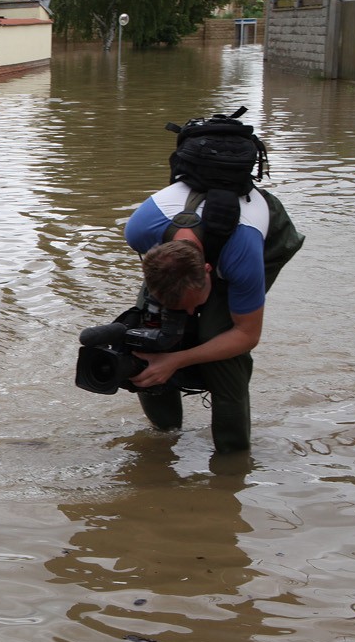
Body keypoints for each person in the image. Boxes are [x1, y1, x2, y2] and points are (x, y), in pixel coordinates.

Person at [123, 181, 298, 452]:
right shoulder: (138, 233)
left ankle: (232, 455)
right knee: (150, 334)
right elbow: (164, 280)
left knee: (217, 338)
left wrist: (176, 359)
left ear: (208, 270)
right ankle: (165, 433)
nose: (191, 313)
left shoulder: (243, 257)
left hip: (258, 239)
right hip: (183, 246)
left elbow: (247, 335)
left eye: (194, 304)